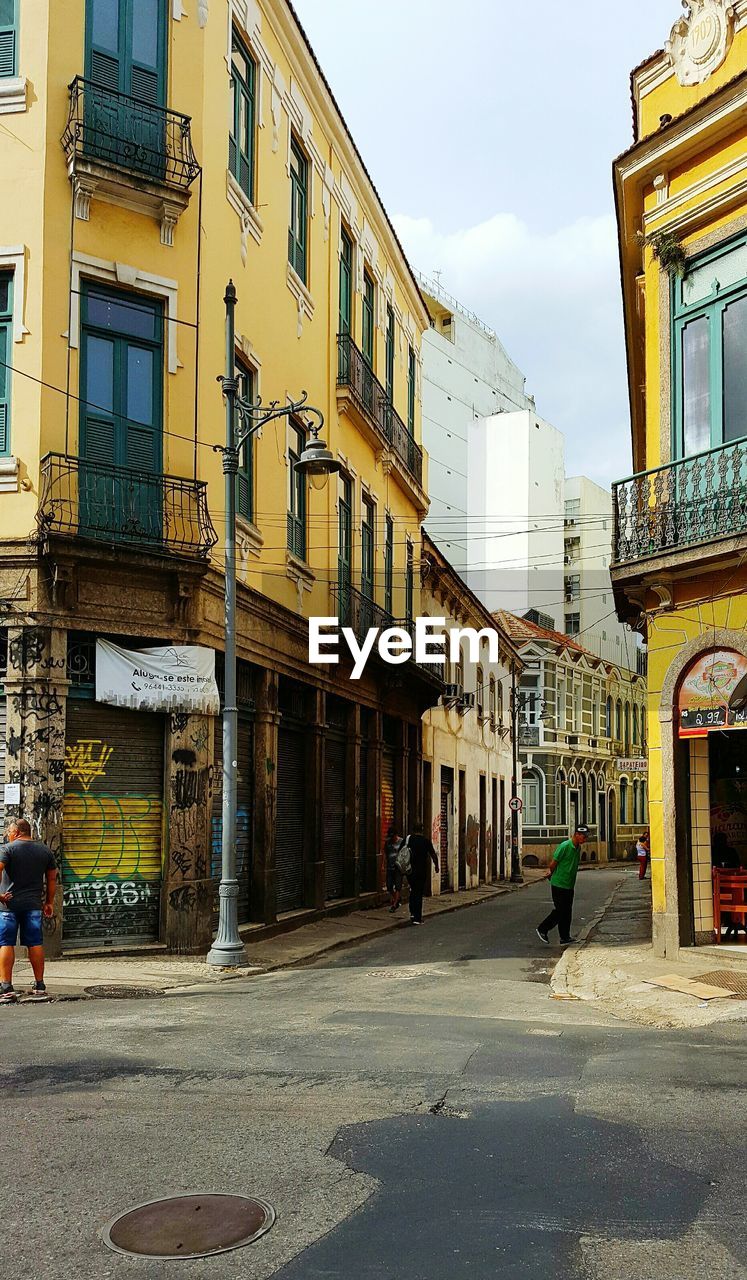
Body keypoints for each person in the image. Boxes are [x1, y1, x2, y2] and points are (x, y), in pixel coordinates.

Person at [0, 819, 57, 1004]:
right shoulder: (45, 850)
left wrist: (0, 895)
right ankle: (39, 986)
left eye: (8, 831)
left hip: (9, 906)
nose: (7, 835)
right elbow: (51, 879)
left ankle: (6, 987)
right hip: (33, 905)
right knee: (35, 943)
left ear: (15, 832)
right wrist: (49, 902)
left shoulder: (8, 849)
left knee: (6, 943)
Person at [536, 825, 589, 946]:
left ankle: (564, 936)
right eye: (583, 836)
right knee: (560, 910)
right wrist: (551, 874)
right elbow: (554, 862)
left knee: (567, 912)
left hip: (569, 884)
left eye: (586, 837)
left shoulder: (577, 848)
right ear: (577, 834)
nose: (585, 839)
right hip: (559, 883)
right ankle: (542, 928)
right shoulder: (565, 846)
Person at [404, 821, 439, 925]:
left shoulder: (409, 839)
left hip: (410, 870)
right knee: (418, 893)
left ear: (413, 830)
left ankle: (412, 913)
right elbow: (433, 853)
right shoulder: (426, 841)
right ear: (422, 830)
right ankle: (417, 917)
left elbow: (402, 851)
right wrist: (436, 866)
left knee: (412, 890)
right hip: (422, 870)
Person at [385, 824, 403, 912]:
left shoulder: (402, 842)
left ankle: (395, 905)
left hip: (398, 868)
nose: (392, 839)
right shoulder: (387, 842)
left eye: (393, 836)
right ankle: (397, 898)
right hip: (389, 867)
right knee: (389, 886)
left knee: (398, 886)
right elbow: (385, 854)